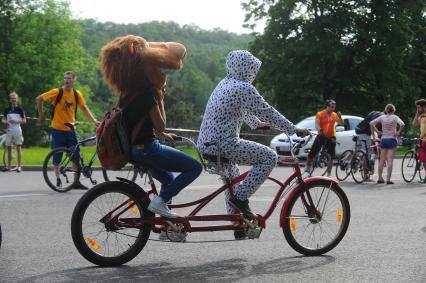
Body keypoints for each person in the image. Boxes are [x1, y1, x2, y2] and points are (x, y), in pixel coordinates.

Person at [197, 50, 310, 240]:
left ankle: (238, 223)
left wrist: (257, 124)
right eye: (252, 70)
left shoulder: (225, 83)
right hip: (223, 144)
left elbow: (241, 108)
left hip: (208, 143)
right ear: (247, 69)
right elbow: (268, 111)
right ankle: (240, 200)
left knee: (232, 178)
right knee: (269, 157)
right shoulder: (243, 87)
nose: (253, 74)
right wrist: (293, 129)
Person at [99, 35, 202, 219]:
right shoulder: (148, 94)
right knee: (194, 167)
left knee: (168, 178)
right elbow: (160, 123)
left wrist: (162, 134)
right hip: (147, 149)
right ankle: (160, 202)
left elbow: (142, 123)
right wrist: (160, 96)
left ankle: (166, 223)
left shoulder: (126, 94)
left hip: (132, 150)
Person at [36, 71, 99, 190]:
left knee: (75, 156)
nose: (67, 80)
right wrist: (41, 115)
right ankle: (58, 179)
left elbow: (84, 109)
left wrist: (94, 121)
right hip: (58, 129)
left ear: (74, 80)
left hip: (71, 129)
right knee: (57, 156)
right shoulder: (58, 92)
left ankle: (76, 182)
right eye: (65, 78)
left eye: (69, 78)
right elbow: (39, 99)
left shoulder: (76, 94)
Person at [305, 99, 344, 176]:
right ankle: (308, 167)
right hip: (321, 135)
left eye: (334, 107)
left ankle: (329, 173)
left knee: (331, 156)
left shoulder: (334, 115)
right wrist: (319, 129)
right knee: (312, 152)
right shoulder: (320, 114)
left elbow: (342, 124)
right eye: (331, 107)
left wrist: (340, 116)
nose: (333, 109)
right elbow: (317, 124)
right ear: (327, 106)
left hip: (331, 136)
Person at [370, 104, 405, 184]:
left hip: (383, 139)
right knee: (390, 160)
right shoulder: (395, 117)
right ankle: (388, 179)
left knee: (382, 159)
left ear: (386, 110)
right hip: (392, 139)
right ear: (393, 110)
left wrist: (377, 131)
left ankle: (380, 178)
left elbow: (371, 123)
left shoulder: (382, 117)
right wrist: (398, 132)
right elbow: (402, 124)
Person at [355, 110, 384, 181]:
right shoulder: (379, 116)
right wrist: (375, 137)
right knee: (367, 153)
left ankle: (350, 160)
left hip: (360, 130)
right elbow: (372, 125)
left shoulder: (376, 113)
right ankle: (366, 176)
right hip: (363, 133)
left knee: (365, 152)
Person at [1, 92, 26, 172]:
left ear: (17, 99)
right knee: (9, 148)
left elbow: (24, 121)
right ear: (10, 99)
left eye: (15, 98)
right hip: (9, 131)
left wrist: (15, 121)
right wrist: (6, 122)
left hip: (17, 130)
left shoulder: (20, 109)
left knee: (18, 148)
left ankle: (19, 166)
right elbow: (3, 119)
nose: (13, 100)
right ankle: (8, 167)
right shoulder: (7, 109)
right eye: (12, 98)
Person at [412, 99, 426, 183]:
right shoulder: (422, 116)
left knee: (424, 160)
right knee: (424, 160)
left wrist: (423, 135)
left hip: (424, 140)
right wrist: (417, 113)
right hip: (423, 141)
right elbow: (414, 124)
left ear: (424, 107)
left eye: (419, 108)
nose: (418, 109)